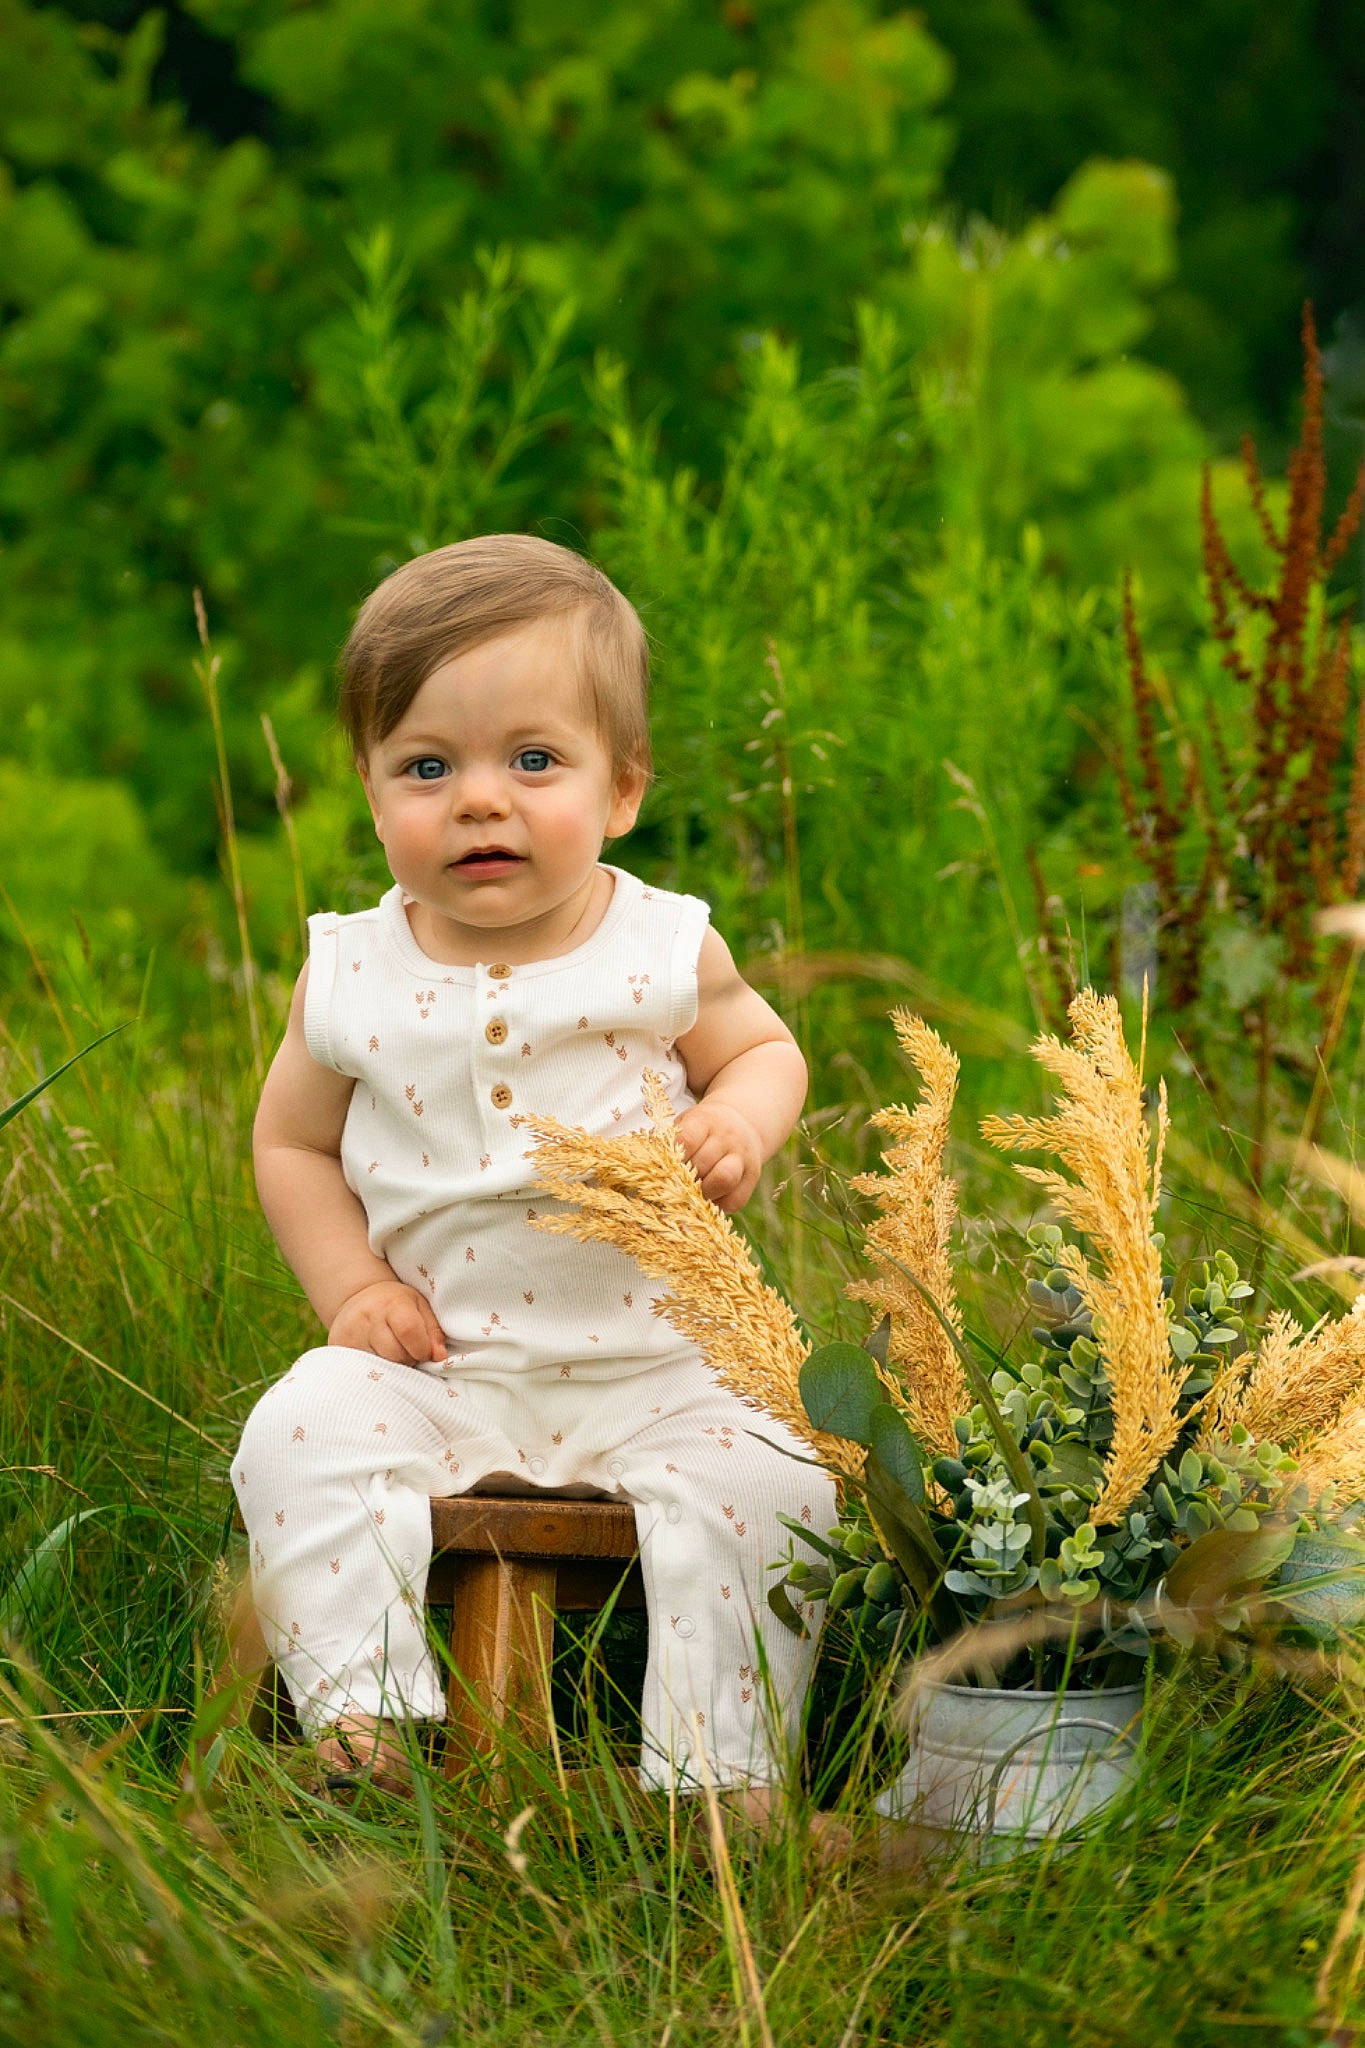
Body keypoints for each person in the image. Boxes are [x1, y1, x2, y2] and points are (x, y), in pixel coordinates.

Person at [233, 533, 836, 1802]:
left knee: (773, 1472)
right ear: (370, 784)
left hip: (666, 1363)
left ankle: (716, 1774)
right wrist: (352, 1292)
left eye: (535, 760)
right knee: (298, 1429)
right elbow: (288, 1141)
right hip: (442, 1364)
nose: (479, 798)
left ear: (623, 788)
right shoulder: (351, 970)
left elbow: (767, 1051)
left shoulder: (660, 947)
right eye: (427, 765)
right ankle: (366, 1720)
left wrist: (740, 1119)